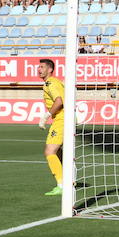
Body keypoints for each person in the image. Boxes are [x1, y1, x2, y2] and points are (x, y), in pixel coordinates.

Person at [38, 59, 65, 196]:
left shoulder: (50, 82)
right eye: (38, 67)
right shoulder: (53, 82)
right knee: (59, 151)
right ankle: (69, 179)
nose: (39, 69)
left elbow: (59, 101)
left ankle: (61, 185)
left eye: (42, 67)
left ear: (50, 69)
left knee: (50, 151)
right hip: (63, 118)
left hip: (61, 119)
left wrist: (47, 115)